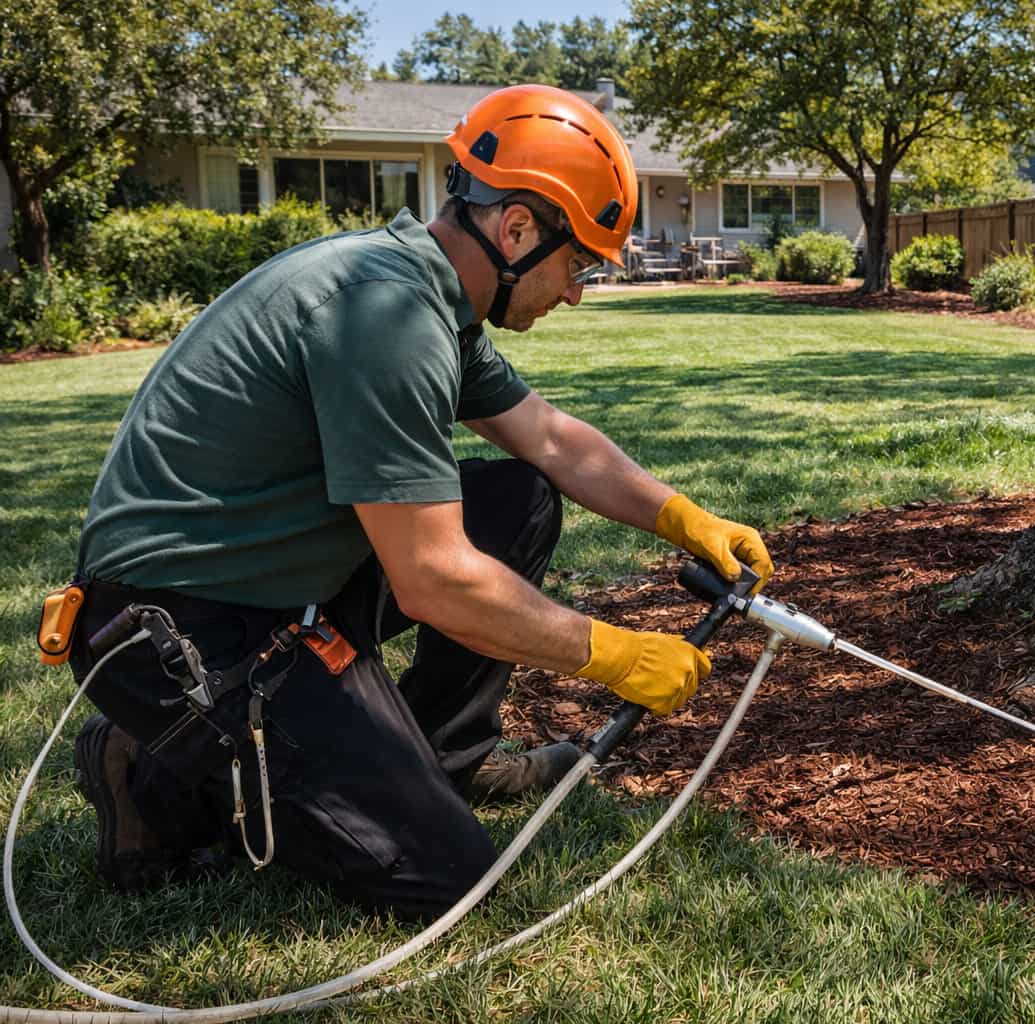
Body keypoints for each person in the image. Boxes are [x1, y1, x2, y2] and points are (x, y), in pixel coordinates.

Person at [63, 84, 773, 917]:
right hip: (176, 630)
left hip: (273, 578)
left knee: (520, 497)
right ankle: (151, 781)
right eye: (575, 263)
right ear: (515, 230)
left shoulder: (427, 296)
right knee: (446, 877)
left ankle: (445, 755)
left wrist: (684, 517)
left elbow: (549, 439)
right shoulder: (387, 316)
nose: (576, 292)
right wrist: (616, 655)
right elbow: (433, 580)